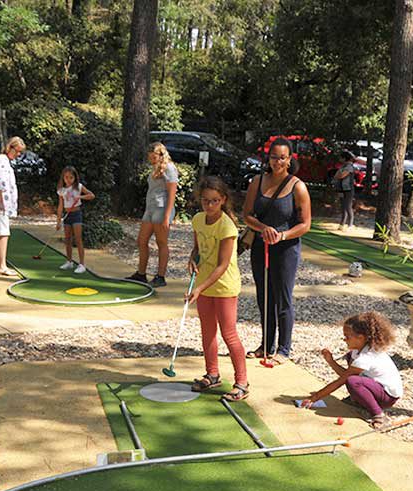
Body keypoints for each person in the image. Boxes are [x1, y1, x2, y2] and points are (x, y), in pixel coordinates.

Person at [241, 137, 312, 364]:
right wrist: (264, 229)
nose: (277, 161)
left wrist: (282, 235)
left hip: (286, 248)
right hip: (261, 245)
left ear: (289, 160)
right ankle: (265, 344)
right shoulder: (257, 181)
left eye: (282, 157)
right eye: (273, 157)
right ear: (268, 158)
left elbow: (305, 224)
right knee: (264, 296)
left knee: (283, 297)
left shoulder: (297, 186)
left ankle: (283, 349)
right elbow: (247, 215)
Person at [186, 176, 249, 401]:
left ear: (223, 200)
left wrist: (200, 288)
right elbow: (198, 250)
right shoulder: (197, 220)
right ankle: (212, 374)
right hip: (205, 285)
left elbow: (223, 265)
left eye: (214, 201)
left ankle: (242, 381)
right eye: (205, 201)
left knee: (229, 333)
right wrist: (192, 260)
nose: (209, 205)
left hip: (224, 286)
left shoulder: (227, 226)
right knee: (207, 331)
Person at [300, 311, 403, 428]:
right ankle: (359, 399)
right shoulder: (358, 350)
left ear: (361, 337)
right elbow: (346, 375)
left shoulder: (366, 357)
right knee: (351, 368)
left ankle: (378, 415)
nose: (344, 340)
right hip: (377, 387)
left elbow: (343, 380)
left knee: (353, 381)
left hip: (388, 397)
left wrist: (314, 398)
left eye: (347, 337)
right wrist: (331, 361)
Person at [129, 142, 178, 287]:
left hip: (162, 209)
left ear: (160, 155)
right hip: (150, 208)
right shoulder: (155, 168)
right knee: (141, 240)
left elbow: (172, 193)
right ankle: (141, 274)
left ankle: (160, 277)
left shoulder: (169, 168)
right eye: (150, 158)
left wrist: (167, 217)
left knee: (161, 243)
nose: (151, 160)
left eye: (153, 157)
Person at [0, 136, 26, 275]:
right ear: (10, 148)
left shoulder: (2, 161)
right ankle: (2, 265)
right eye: (17, 151)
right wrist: (2, 203)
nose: (18, 154)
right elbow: (0, 184)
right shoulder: (2, 162)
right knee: (3, 233)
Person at [55, 166, 95, 272]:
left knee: (78, 239)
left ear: (75, 178)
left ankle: (82, 265)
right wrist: (58, 221)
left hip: (76, 214)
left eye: (71, 177)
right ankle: (69, 262)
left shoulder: (79, 187)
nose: (68, 179)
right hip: (67, 215)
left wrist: (80, 197)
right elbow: (60, 206)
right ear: (63, 177)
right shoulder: (61, 190)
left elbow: (91, 195)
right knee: (67, 239)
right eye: (66, 177)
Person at [334, 150, 356, 229]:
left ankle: (350, 224)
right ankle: (342, 223)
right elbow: (336, 176)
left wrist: (339, 174)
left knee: (348, 206)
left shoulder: (349, 167)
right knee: (343, 206)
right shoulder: (342, 166)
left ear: (345, 158)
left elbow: (341, 176)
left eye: (341, 158)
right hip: (341, 189)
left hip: (348, 190)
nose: (340, 159)